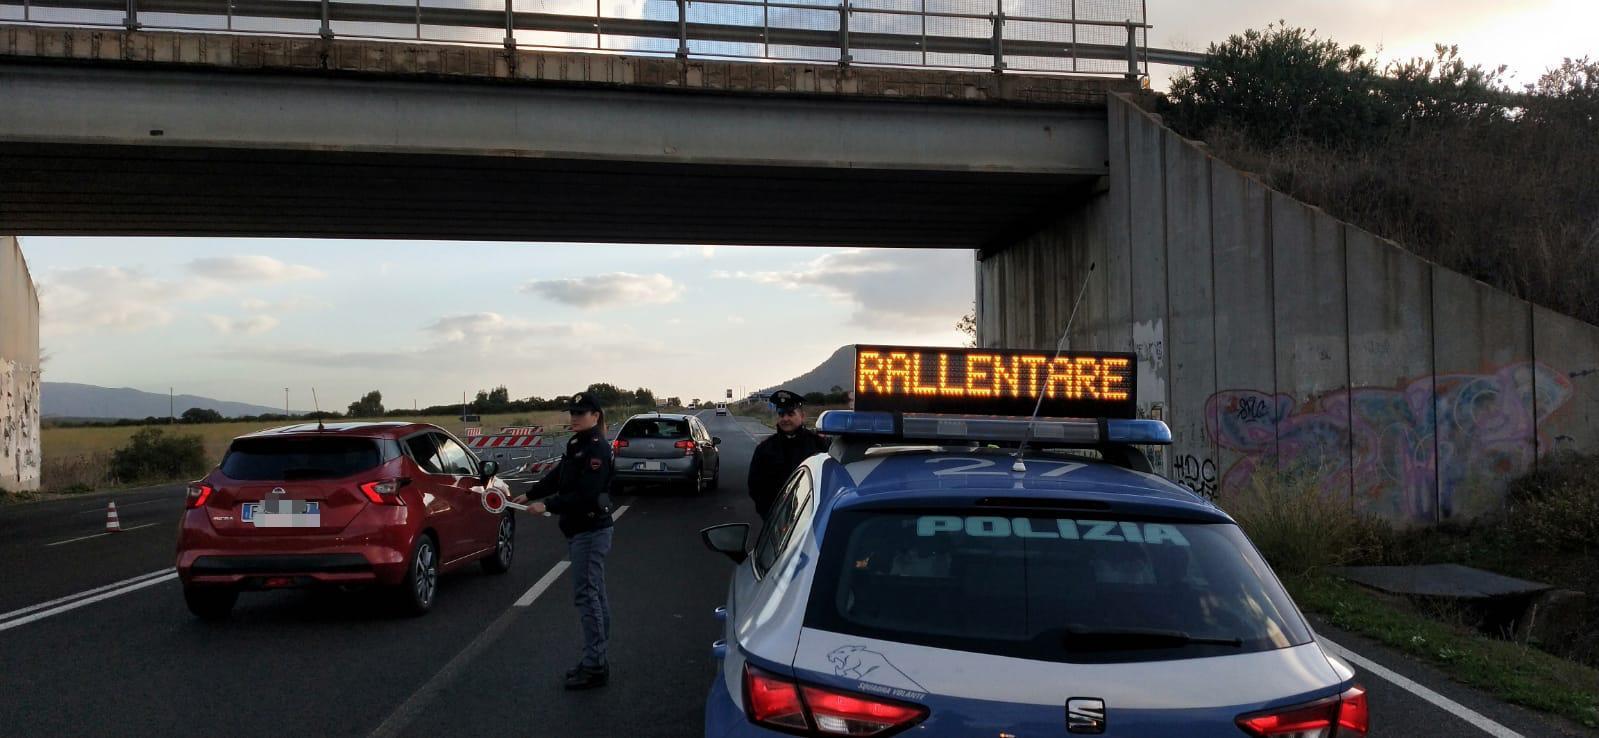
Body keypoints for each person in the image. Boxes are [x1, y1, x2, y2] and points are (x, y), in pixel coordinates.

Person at [513, 391, 615, 690]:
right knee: (594, 593)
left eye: (580, 413)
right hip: (580, 530)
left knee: (587, 595)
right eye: (572, 412)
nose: (574, 417)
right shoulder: (577, 444)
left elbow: (586, 493)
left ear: (595, 416)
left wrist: (548, 505)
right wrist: (532, 493)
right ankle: (597, 658)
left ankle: (596, 664)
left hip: (591, 529)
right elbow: (559, 475)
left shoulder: (596, 449)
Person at [746, 389, 829, 520]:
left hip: (813, 518)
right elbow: (755, 486)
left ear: (802, 416)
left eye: (790, 414)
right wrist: (770, 515)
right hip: (776, 520)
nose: (785, 419)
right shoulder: (764, 449)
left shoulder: (819, 445)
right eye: (781, 414)